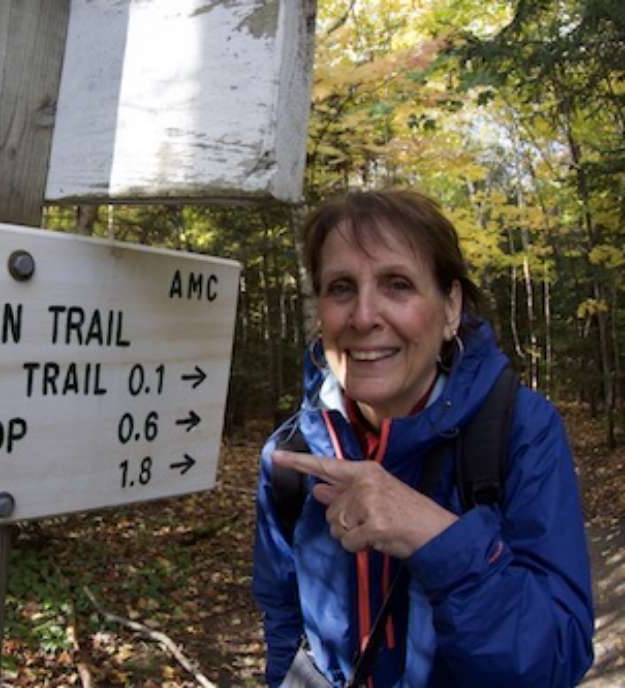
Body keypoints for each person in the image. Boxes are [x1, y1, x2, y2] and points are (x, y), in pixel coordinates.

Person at [252, 189, 594, 687]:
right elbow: (282, 616)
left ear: (451, 306)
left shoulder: (519, 430)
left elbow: (556, 658)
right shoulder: (293, 455)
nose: (364, 316)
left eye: (397, 285)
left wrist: (437, 538)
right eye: (342, 288)